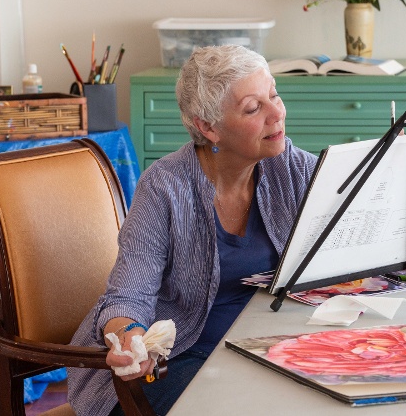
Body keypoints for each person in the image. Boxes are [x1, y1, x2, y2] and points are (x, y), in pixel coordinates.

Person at [67, 45, 318, 415]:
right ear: (207, 127)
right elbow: (127, 296)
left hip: (262, 352)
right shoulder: (165, 187)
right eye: (253, 107)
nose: (276, 113)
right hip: (176, 361)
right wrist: (130, 341)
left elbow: (354, 224)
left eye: (274, 95)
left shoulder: (291, 168)